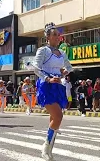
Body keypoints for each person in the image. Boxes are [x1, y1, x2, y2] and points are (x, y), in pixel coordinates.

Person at [33, 22, 73, 160]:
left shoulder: (61, 52)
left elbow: (68, 67)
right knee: (58, 116)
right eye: (54, 35)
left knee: (55, 119)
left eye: (58, 35)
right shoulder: (43, 51)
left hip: (58, 86)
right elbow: (36, 68)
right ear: (48, 37)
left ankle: (49, 151)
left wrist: (64, 71)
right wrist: (48, 78)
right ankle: (45, 147)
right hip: (47, 86)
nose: (57, 37)